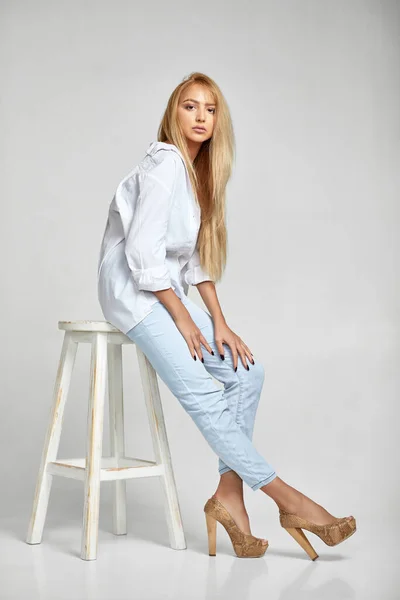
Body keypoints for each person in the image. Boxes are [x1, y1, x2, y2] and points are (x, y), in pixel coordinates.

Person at [97, 72, 356, 559]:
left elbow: (193, 261)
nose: (200, 117)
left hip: (164, 291)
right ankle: (289, 501)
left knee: (247, 371)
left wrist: (218, 319)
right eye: (190, 106)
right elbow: (142, 255)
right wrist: (183, 319)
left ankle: (228, 497)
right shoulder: (165, 164)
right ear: (173, 113)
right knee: (202, 395)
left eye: (210, 109)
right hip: (132, 292)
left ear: (218, 120)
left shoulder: (199, 175)